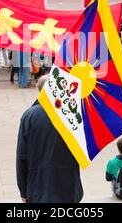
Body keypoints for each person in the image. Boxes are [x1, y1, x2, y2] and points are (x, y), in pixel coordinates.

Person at [17, 75, 83, 203]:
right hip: (69, 185)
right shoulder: (71, 115)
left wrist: (23, 191)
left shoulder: (29, 116)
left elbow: (21, 156)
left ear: (39, 89)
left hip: (39, 185)